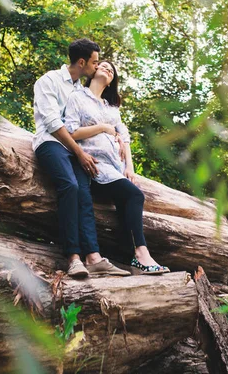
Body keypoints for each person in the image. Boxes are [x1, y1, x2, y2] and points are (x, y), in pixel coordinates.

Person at [33, 39, 130, 278]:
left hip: (76, 148)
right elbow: (53, 125)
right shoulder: (49, 81)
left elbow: (102, 120)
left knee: (84, 194)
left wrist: (116, 139)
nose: (97, 68)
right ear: (82, 62)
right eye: (96, 63)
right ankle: (73, 257)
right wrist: (79, 152)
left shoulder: (80, 90)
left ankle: (94, 257)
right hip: (51, 143)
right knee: (70, 186)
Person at [64, 61, 170, 275]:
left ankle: (133, 258)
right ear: (93, 72)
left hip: (115, 166)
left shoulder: (111, 108)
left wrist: (129, 166)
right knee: (134, 196)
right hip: (92, 163)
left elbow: (125, 137)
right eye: (103, 66)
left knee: (127, 199)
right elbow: (71, 132)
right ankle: (141, 255)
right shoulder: (77, 97)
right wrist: (103, 128)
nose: (108, 69)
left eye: (112, 70)